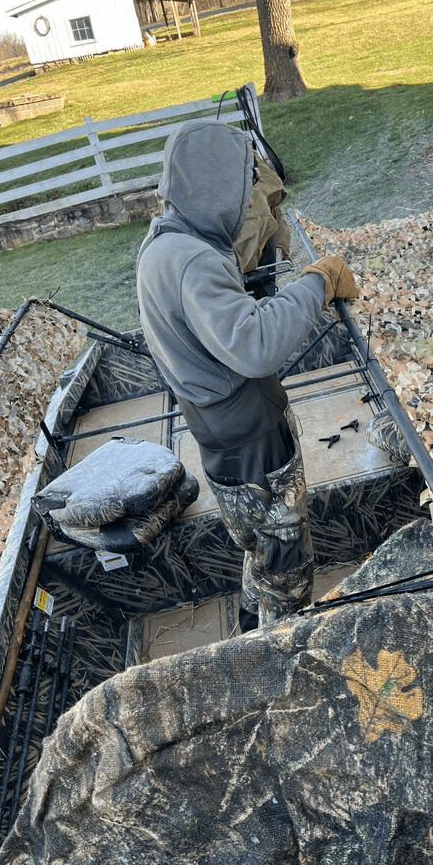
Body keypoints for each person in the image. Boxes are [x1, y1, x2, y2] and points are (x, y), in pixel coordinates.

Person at [137, 118, 357, 633]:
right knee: (285, 554)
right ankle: (282, 647)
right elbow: (256, 346)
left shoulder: (164, 241)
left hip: (215, 429)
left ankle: (246, 618)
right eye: (243, 186)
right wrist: (316, 282)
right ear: (216, 186)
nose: (248, 199)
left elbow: (218, 318)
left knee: (255, 537)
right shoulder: (193, 261)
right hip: (249, 433)